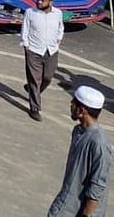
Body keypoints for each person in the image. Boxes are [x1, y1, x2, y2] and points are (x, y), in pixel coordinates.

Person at [47, 85, 111, 217]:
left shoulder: (99, 142)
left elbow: (98, 184)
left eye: (73, 103)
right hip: (64, 204)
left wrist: (86, 214)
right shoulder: (78, 131)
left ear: (82, 110)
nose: (70, 105)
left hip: (80, 211)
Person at [22, 0, 65, 121]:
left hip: (51, 51)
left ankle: (32, 90)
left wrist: (58, 40)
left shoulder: (57, 13)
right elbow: (25, 30)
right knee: (34, 80)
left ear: (50, 2)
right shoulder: (30, 12)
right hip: (34, 50)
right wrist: (26, 46)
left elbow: (60, 28)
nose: (39, 2)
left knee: (47, 77)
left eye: (43, 0)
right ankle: (35, 108)